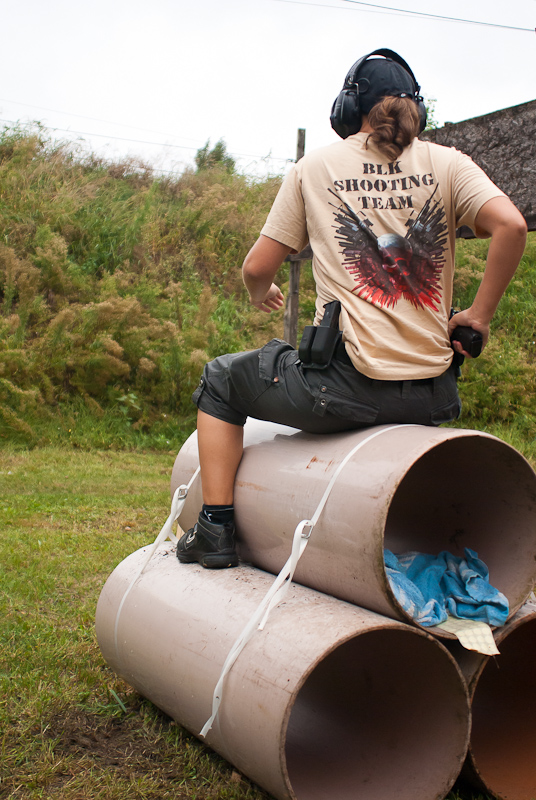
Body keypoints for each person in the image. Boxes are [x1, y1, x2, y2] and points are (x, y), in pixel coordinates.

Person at [176, 48, 527, 570]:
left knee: (222, 381)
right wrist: (477, 317)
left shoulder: (315, 166)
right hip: (432, 397)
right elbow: (512, 226)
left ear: (348, 107)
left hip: (340, 390)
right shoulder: (449, 163)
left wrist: (259, 293)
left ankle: (215, 528)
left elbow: (257, 267)